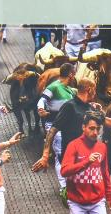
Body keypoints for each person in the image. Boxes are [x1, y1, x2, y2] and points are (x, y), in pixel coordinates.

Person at [32, 78, 111, 173]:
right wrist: (45, 156)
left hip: (88, 157)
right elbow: (53, 130)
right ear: (89, 89)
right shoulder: (69, 106)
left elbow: (106, 121)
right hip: (72, 159)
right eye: (94, 89)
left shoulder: (90, 107)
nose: (95, 93)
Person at [61, 111, 111, 214]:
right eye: (91, 128)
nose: (95, 132)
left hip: (97, 201)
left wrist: (110, 199)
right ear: (83, 127)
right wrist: (87, 162)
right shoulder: (73, 146)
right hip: (77, 203)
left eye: (98, 129)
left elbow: (105, 173)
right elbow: (64, 171)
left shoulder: (102, 147)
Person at [37, 63, 77, 201]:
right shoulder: (53, 86)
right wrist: (41, 109)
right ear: (71, 74)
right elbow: (42, 100)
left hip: (68, 127)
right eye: (74, 73)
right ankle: (64, 188)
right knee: (60, 155)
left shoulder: (70, 90)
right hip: (54, 126)